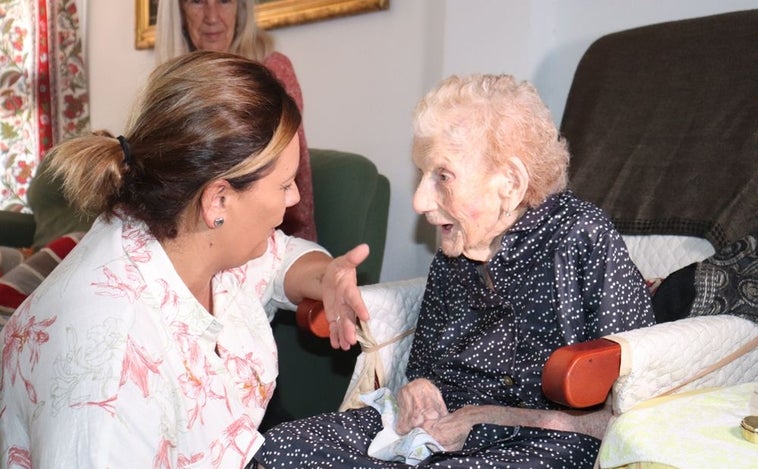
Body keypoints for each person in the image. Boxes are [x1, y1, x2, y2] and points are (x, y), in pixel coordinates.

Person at [254, 74, 655, 468]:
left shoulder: (582, 237)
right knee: (278, 447)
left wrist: (483, 417)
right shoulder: (456, 247)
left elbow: (636, 408)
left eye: (442, 176)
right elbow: (422, 369)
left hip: (543, 440)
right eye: (422, 175)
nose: (418, 201)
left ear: (510, 183)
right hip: (440, 431)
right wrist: (419, 389)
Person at [0, 51, 370, 468]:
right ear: (219, 199)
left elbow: (278, 258)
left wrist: (326, 277)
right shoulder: (110, 376)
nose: (295, 198)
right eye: (285, 185)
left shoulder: (181, 229)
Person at [155, 0, 317, 241]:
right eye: (197, 2)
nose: (212, 16)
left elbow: (295, 179)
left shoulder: (271, 72)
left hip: (262, 242)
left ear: (241, 8)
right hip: (187, 240)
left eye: (224, 1)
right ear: (178, 11)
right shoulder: (171, 84)